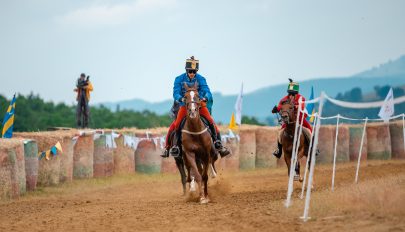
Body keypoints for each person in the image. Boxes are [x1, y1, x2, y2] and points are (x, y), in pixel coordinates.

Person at [161, 56, 230, 158]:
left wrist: (205, 97)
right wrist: (181, 99)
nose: (192, 73)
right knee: (176, 125)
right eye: (190, 71)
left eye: (194, 71)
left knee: (211, 121)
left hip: (200, 105)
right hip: (185, 105)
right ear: (186, 70)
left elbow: (207, 91)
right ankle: (170, 147)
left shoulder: (201, 79)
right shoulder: (178, 79)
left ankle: (218, 144)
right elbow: (175, 93)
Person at [271, 79, 312, 159]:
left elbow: (302, 107)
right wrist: (275, 109)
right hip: (288, 121)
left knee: (309, 130)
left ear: (296, 93)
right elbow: (280, 107)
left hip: (300, 118)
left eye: (293, 94)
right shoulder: (283, 99)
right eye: (290, 93)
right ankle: (279, 151)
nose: (291, 96)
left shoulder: (301, 98)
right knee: (280, 133)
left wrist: (296, 106)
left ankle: (313, 148)